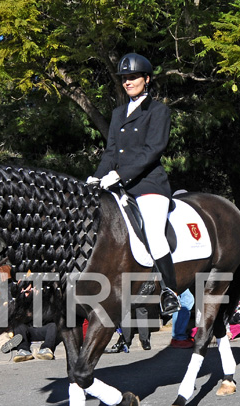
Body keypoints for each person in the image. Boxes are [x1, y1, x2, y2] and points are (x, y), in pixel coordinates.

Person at [87, 52, 179, 316]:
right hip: (121, 186)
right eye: (124, 78)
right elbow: (111, 152)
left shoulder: (158, 110)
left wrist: (120, 174)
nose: (128, 82)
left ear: (146, 79)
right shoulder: (118, 113)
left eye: (133, 77)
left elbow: (153, 149)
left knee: (153, 232)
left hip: (150, 184)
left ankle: (169, 292)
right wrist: (97, 176)